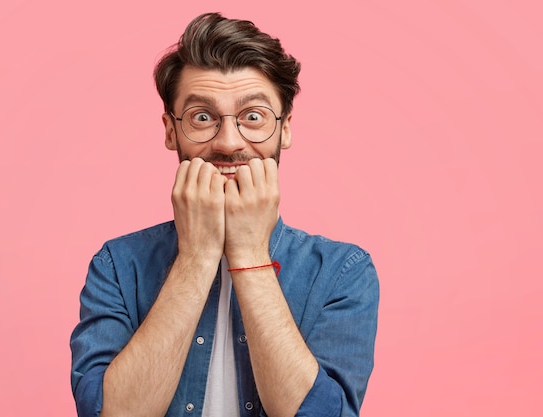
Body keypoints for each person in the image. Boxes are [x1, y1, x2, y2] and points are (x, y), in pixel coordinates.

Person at [70, 12, 379, 417]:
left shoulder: (344, 272)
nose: (229, 143)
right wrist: (196, 257)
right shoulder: (117, 265)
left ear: (284, 129)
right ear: (170, 130)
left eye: (253, 117)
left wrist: (250, 253)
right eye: (202, 117)